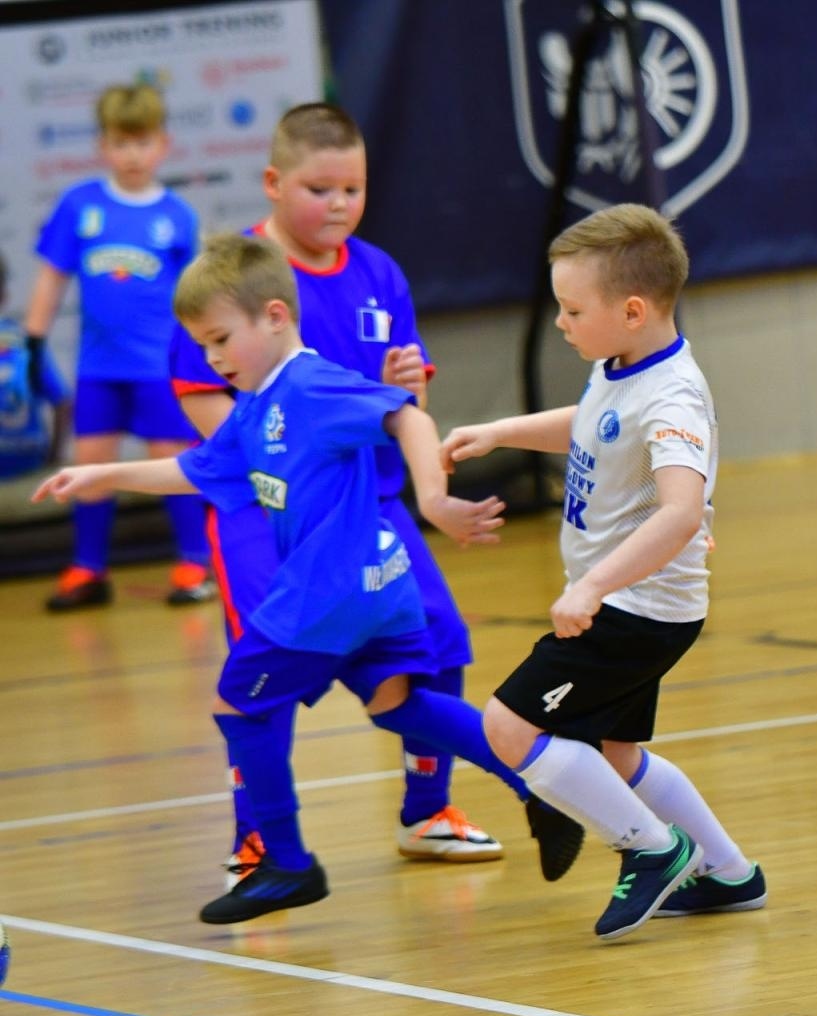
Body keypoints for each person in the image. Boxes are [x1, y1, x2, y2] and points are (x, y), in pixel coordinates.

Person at [35, 234, 518, 923]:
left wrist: (434, 499)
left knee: (240, 704)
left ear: (274, 316)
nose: (214, 359)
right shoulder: (257, 406)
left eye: (221, 340)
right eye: (203, 348)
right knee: (396, 703)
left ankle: (286, 862)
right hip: (371, 592)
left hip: (327, 596)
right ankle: (536, 780)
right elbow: (195, 470)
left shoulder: (309, 384)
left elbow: (407, 417)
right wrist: (103, 474)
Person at [168, 103, 553, 882]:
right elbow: (206, 403)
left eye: (354, 188)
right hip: (267, 513)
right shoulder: (233, 278)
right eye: (320, 188)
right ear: (275, 184)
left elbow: (403, 407)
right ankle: (261, 844)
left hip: (371, 506)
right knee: (259, 675)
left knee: (440, 648)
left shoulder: (379, 272)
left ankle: (427, 811)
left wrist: (401, 394)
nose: (339, 204)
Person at [441, 203, 765, 941]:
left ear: (631, 309)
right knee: (616, 754)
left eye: (571, 308)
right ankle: (729, 874)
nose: (561, 321)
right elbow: (596, 422)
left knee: (508, 726)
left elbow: (682, 510)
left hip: (636, 608)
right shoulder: (617, 364)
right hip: (637, 602)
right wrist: (504, 432)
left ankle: (654, 850)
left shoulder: (673, 396)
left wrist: (591, 586)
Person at [26, 83, 215, 610]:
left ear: (163, 144)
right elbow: (51, 277)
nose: (132, 155)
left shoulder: (176, 216)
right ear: (102, 146)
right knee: (90, 461)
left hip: (158, 367)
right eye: (120, 143)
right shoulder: (79, 205)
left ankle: (194, 564)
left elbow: (194, 297)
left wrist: (202, 357)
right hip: (98, 369)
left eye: (143, 142)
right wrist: (35, 342)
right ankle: (88, 569)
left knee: (171, 459)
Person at [0, 253, 69, 480]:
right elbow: (63, 402)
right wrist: (54, 457)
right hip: (30, 459)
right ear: (4, 295)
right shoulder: (24, 341)